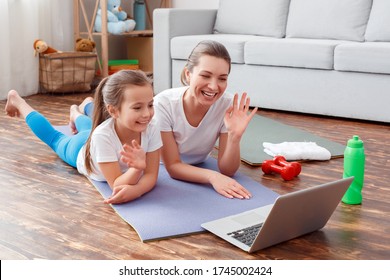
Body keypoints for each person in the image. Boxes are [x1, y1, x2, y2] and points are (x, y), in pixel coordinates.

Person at [4, 70, 162, 204]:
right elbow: (116, 183)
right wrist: (136, 168)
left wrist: (137, 190)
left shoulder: (152, 126)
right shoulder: (102, 135)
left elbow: (151, 175)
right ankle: (17, 100)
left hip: (99, 133)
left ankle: (79, 109)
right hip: (79, 148)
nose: (147, 114)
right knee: (54, 138)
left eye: (150, 105)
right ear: (113, 111)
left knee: (89, 128)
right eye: (137, 107)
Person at [150, 40, 258, 199]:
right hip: (160, 167)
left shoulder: (226, 105)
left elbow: (228, 170)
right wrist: (212, 177)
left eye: (222, 78)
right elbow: (173, 166)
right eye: (205, 76)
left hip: (200, 165)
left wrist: (235, 137)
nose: (214, 87)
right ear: (188, 74)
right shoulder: (164, 104)